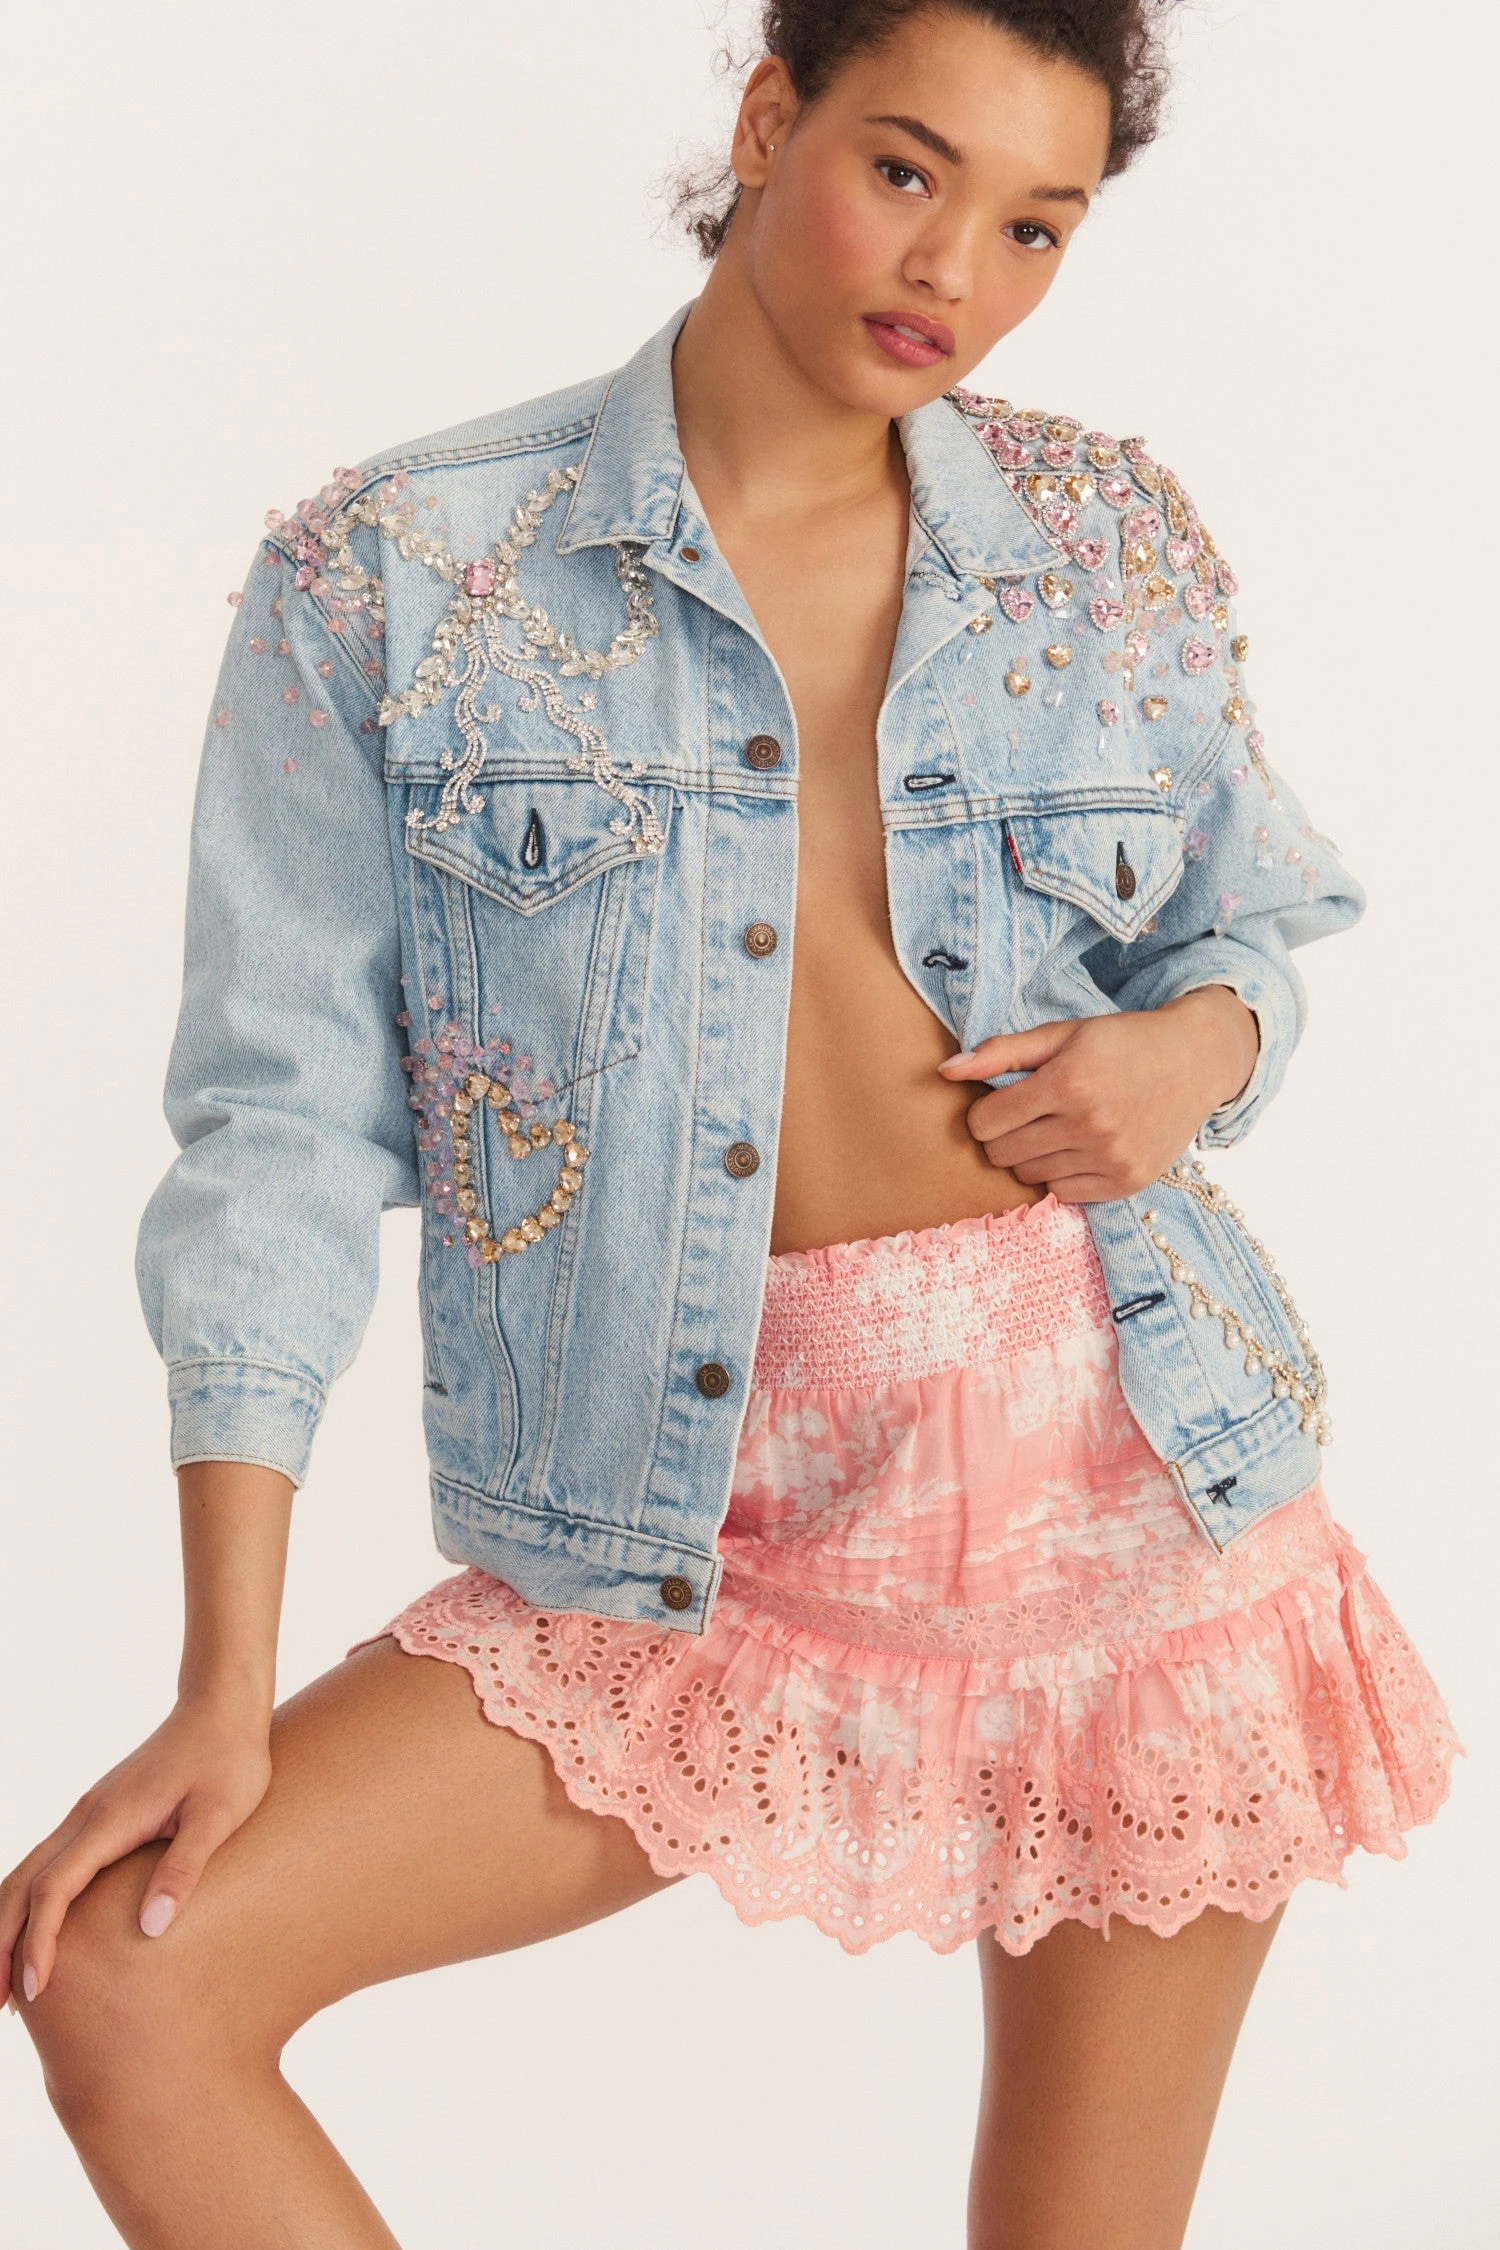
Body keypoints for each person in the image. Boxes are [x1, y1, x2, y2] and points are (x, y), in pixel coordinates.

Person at [2, 4, 1459, 2244]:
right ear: (772, 120)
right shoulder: (403, 575)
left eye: (1037, 223)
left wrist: (1199, 1049)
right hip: (681, 1519)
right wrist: (223, 1684)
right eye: (907, 169)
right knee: (129, 1977)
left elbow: (1257, 921)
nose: (954, 267)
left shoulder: (1103, 535)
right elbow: (274, 1133)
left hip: (1135, 1488)